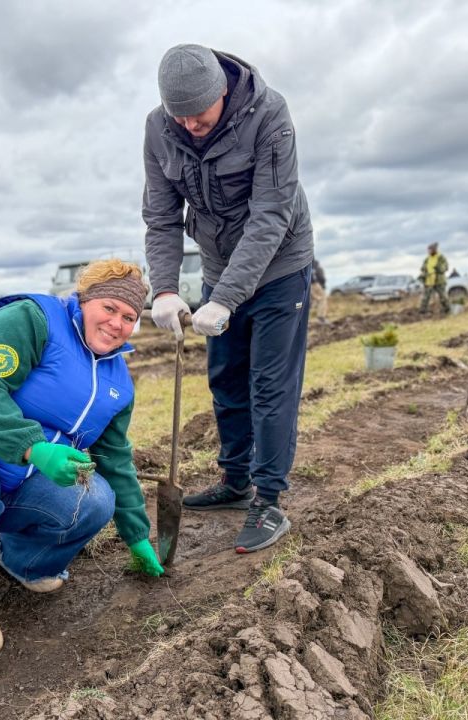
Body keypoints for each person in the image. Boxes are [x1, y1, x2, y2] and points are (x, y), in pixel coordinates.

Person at [0, 260, 164, 658]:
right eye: (109, 308)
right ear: (85, 299)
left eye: (129, 317)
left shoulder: (118, 382)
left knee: (94, 499)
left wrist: (137, 534)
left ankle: (22, 560)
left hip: (19, 482)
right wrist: (33, 447)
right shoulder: (32, 317)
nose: (116, 323)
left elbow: (114, 459)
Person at [143, 43, 314, 554]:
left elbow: (271, 213)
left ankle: (268, 499)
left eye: (200, 114)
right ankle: (235, 482)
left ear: (222, 91)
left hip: (281, 265)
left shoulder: (269, 114)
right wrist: (167, 289)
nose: (191, 125)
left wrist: (227, 298)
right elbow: (161, 215)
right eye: (181, 116)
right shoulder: (158, 128)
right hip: (219, 268)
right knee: (224, 379)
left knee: (269, 384)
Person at [418, 242, 451, 314]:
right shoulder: (427, 259)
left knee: (443, 296)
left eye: (430, 250)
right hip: (429, 280)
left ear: (434, 250)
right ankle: (422, 311)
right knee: (425, 297)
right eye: (428, 250)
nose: (429, 252)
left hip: (439, 280)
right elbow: (423, 268)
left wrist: (438, 268)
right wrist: (423, 271)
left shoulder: (441, 257)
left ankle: (447, 310)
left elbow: (445, 268)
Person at [310, 259, 328, 324]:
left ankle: (306, 319)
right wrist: (322, 285)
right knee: (322, 300)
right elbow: (321, 277)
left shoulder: (306, 262)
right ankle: (321, 318)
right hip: (315, 284)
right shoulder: (315, 264)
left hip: (308, 285)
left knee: (313, 301)